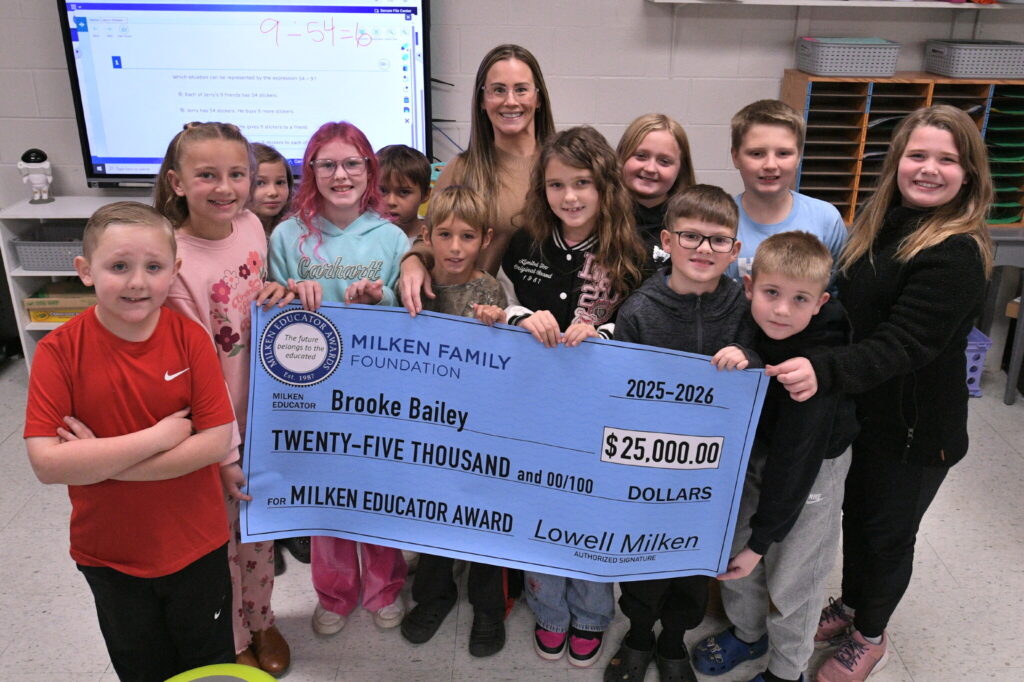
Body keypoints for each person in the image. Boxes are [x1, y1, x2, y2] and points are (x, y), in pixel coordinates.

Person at [766, 105, 993, 682]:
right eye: (917, 155)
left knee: (886, 534)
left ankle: (870, 634)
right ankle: (851, 604)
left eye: (947, 159)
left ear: (968, 173)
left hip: (917, 431)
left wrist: (822, 370)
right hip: (867, 411)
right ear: (896, 163)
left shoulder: (956, 251)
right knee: (856, 516)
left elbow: (903, 343)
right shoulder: (883, 223)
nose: (928, 169)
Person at [23, 201, 237, 681]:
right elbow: (45, 465)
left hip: (196, 547)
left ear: (174, 271)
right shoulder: (58, 352)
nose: (138, 281)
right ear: (85, 271)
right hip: (110, 555)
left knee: (208, 666)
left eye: (154, 267)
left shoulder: (191, 339)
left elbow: (213, 443)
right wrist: (158, 438)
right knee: (142, 668)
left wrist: (95, 460)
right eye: (119, 266)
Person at [477, 125, 644, 667]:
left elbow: (648, 325)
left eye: (582, 183)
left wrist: (606, 336)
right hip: (535, 403)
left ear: (605, 185)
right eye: (555, 185)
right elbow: (491, 301)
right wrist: (523, 317)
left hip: (602, 409)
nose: (569, 197)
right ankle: (548, 608)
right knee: (538, 504)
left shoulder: (634, 247)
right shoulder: (525, 240)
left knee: (592, 512)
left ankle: (594, 613)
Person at [154, 122, 296, 675]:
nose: (225, 187)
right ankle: (232, 634)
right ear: (177, 182)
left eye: (237, 174)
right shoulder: (174, 258)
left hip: (262, 413)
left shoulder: (253, 228)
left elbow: (262, 304)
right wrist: (224, 450)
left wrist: (278, 292)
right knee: (219, 540)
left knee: (258, 533)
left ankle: (262, 620)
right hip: (214, 427)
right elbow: (194, 369)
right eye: (207, 175)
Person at [692, 232, 858, 682]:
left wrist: (762, 542)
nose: (782, 310)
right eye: (771, 293)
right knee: (734, 554)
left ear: (820, 302)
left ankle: (788, 671)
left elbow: (796, 461)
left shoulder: (820, 360)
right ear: (748, 288)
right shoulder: (747, 320)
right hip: (755, 451)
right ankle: (748, 634)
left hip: (812, 466)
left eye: (800, 298)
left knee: (794, 577)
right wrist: (742, 354)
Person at [606, 184, 756, 682]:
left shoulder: (744, 308)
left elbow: (763, 367)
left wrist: (750, 358)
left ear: (735, 250)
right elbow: (615, 394)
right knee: (643, 567)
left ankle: (673, 641)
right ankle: (639, 635)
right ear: (667, 241)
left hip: (711, 475)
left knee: (693, 570)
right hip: (645, 472)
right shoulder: (638, 311)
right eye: (690, 236)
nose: (703, 249)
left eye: (717, 240)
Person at [268, 121, 410, 635]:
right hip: (312, 395)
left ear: (369, 170)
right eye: (326, 164)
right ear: (311, 172)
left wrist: (382, 298)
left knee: (375, 496)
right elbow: (270, 308)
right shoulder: (287, 235)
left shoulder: (392, 236)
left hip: (375, 393)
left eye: (352, 163)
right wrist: (288, 292)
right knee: (325, 500)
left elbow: (407, 313)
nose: (340, 174)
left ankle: (384, 587)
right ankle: (334, 592)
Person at [398, 185, 510, 658]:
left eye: (467, 236)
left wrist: (498, 323)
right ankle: (434, 594)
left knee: (482, 519)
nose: (456, 248)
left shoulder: (489, 289)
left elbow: (505, 361)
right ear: (428, 235)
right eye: (445, 235)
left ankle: (488, 606)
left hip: (479, 429)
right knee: (433, 518)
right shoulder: (413, 284)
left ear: (485, 238)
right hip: (427, 427)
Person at [399, 43, 555, 313]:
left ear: (538, 98)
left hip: (549, 321)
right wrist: (412, 261)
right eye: (498, 90)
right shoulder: (463, 168)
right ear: (482, 101)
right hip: (481, 321)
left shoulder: (561, 166)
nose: (510, 101)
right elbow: (432, 237)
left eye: (521, 89)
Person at [727, 100, 846, 282]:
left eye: (783, 153)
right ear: (735, 157)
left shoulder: (826, 220)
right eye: (756, 154)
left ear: (798, 156)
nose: (770, 165)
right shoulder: (721, 221)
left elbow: (839, 290)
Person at [616, 113, 696, 273]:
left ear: (681, 170)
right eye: (641, 156)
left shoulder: (692, 225)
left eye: (664, 161)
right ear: (622, 157)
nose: (650, 168)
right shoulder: (601, 217)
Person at [377, 143, 432, 244]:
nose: (391, 201)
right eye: (383, 191)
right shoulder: (363, 239)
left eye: (404, 192)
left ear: (425, 194)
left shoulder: (433, 240)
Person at [250, 143, 295, 237]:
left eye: (280, 182)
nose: (273, 192)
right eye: (260, 183)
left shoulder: (297, 227)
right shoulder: (229, 230)